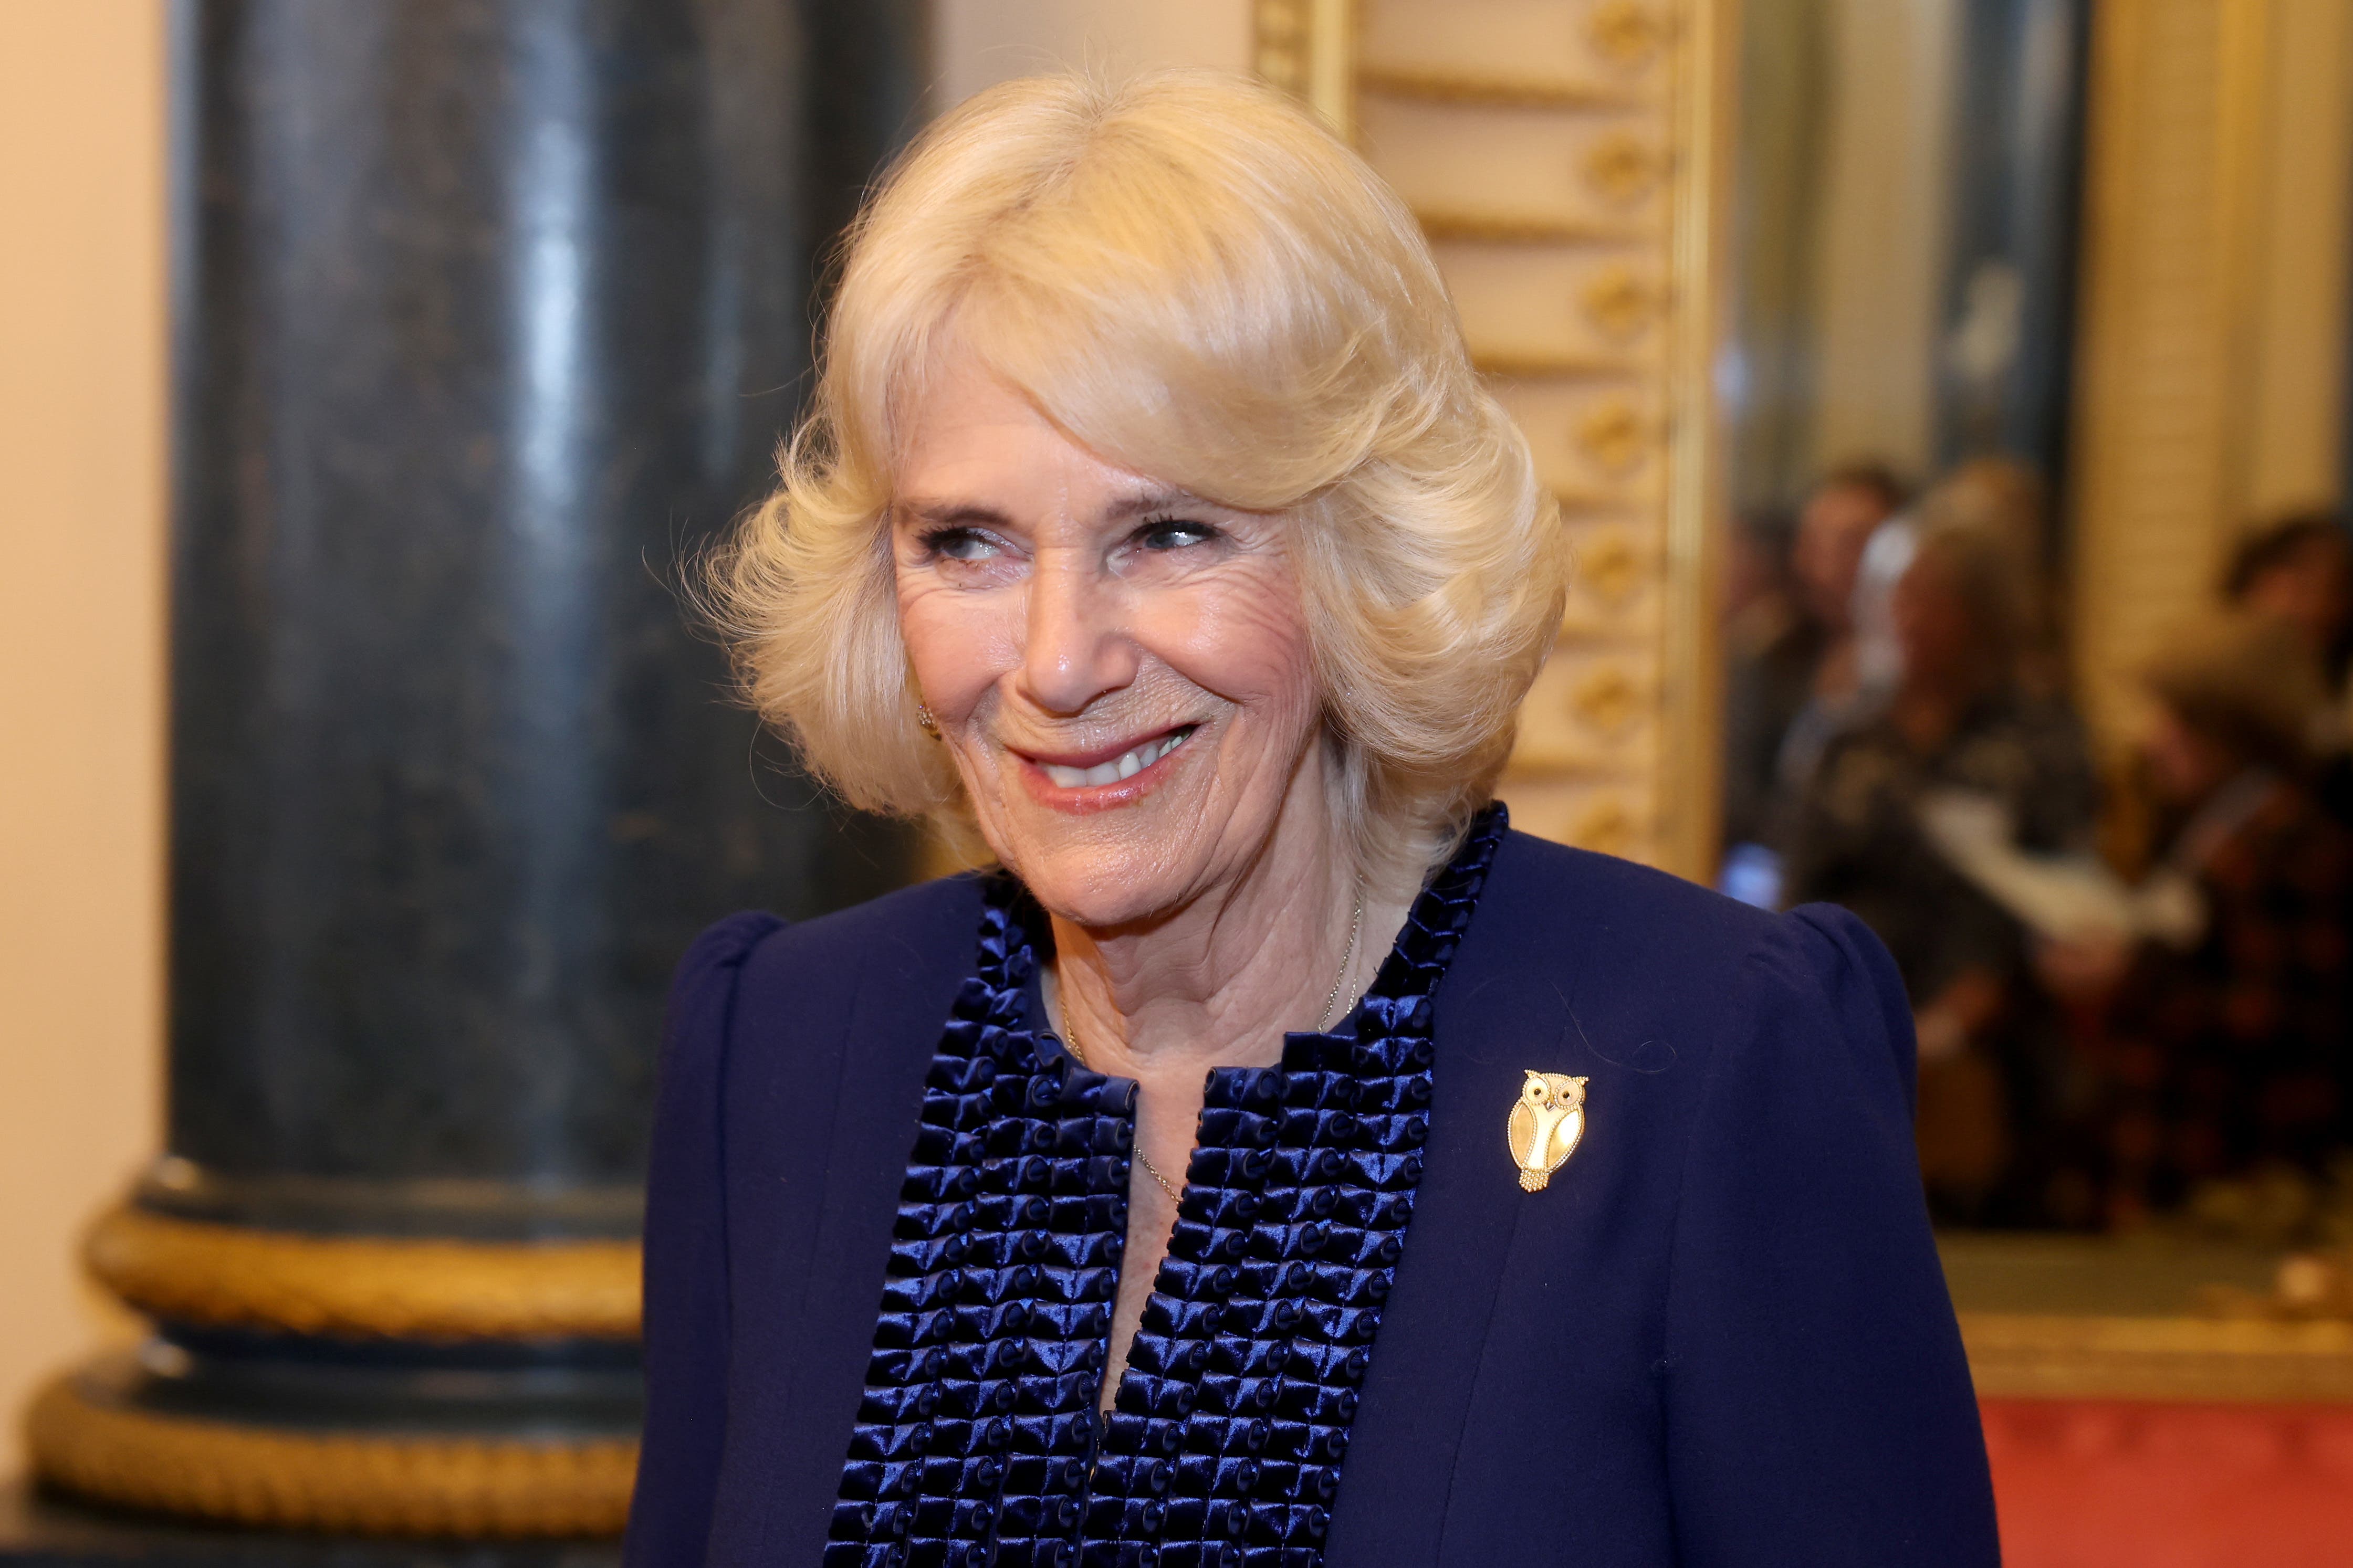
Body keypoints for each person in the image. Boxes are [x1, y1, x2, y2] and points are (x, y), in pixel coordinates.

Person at [625, 71, 1994, 1568]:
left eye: (1169, 533)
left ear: (1366, 553)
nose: (1057, 659)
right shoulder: (782, 1045)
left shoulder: (1714, 1054)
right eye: (968, 541)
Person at [1782, 515, 2098, 1222]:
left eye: (1931, 596)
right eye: (1893, 592)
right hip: (1848, 1026)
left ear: (1982, 614)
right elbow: (1796, 896)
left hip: (1999, 1037)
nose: (1907, 614)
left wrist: (1961, 1014)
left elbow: (2068, 891)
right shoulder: (1838, 735)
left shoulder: (2037, 737)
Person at [2038, 614, 2353, 1228]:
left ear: (2231, 731)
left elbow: (2276, 1021)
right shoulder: (2211, 826)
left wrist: (2125, 980)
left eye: (2175, 721)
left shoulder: (2286, 844)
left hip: (2234, 1184)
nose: (2153, 740)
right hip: (2168, 1162)